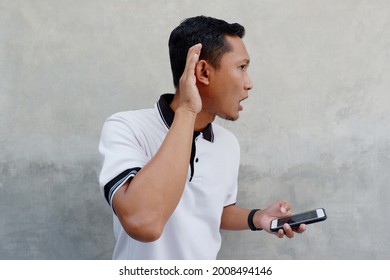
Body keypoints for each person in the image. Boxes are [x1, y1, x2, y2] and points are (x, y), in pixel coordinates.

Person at [98, 15, 306, 260]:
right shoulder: (126, 127)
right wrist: (187, 111)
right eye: (241, 68)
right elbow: (145, 223)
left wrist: (257, 217)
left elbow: (212, 210)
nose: (249, 83)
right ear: (203, 72)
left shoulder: (227, 143)